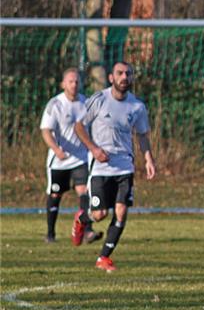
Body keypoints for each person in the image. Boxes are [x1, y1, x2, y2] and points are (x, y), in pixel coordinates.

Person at [73, 61, 157, 272]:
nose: (124, 77)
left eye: (128, 73)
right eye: (120, 73)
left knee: (120, 212)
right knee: (100, 214)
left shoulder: (137, 106)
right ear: (111, 77)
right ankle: (82, 219)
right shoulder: (99, 100)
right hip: (101, 168)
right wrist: (93, 149)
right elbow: (79, 126)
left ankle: (103, 257)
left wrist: (148, 159)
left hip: (125, 168)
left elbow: (142, 135)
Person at [39, 68, 100, 244]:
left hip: (81, 158)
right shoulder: (55, 104)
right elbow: (46, 131)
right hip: (59, 160)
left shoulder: (86, 103)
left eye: (77, 81)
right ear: (63, 84)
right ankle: (50, 234)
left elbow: (94, 127)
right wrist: (56, 149)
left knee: (84, 191)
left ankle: (87, 231)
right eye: (70, 81)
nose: (74, 85)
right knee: (55, 195)